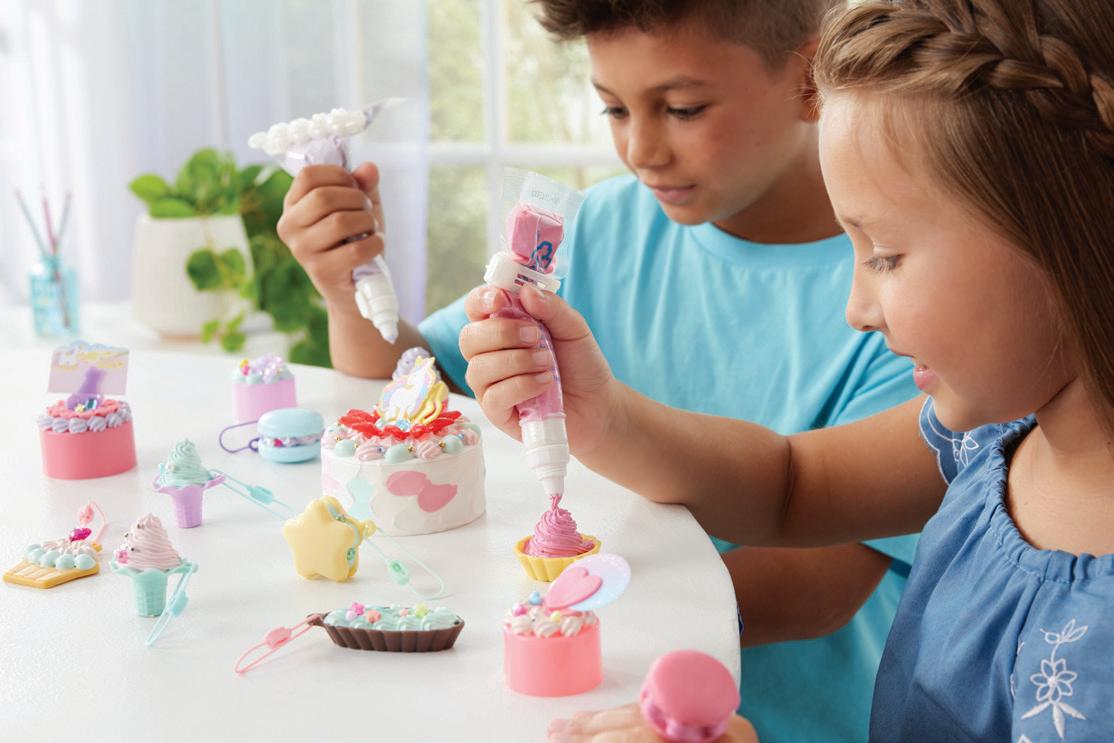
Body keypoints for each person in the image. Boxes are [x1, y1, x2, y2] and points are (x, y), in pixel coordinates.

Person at [464, 0, 1114, 739]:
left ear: (1073, 229)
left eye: (886, 255)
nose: (856, 309)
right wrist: (603, 416)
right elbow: (790, 485)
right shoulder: (987, 440)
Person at [278, 2, 919, 739]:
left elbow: (819, 585)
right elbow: (417, 390)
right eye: (614, 108)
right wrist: (349, 287)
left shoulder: (894, 295)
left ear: (808, 78)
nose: (641, 150)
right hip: (557, 692)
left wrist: (562, 610)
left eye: (682, 109)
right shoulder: (594, 231)